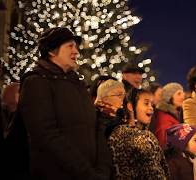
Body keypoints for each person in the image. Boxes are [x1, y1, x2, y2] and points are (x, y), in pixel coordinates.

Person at [18, 27, 107, 180]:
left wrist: (103, 169)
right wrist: (87, 173)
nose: (76, 52)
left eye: (76, 46)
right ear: (52, 51)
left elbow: (94, 126)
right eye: (70, 46)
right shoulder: (36, 82)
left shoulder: (77, 83)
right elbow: (46, 136)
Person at [108, 88, 170, 179]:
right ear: (131, 106)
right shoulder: (123, 135)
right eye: (146, 103)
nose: (151, 108)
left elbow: (163, 168)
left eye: (152, 104)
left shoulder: (148, 135)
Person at [94, 79, 126, 179]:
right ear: (104, 97)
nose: (122, 99)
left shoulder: (121, 117)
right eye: (118, 95)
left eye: (123, 96)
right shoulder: (96, 118)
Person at [149, 82, 185, 148]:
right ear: (169, 97)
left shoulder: (174, 114)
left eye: (183, 93)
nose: (183, 96)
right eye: (179, 94)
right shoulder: (163, 116)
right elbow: (163, 142)